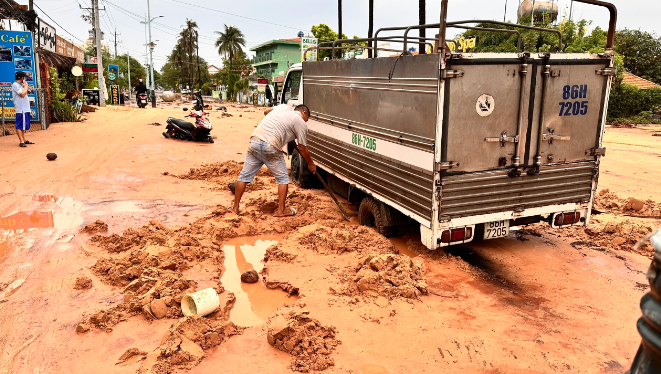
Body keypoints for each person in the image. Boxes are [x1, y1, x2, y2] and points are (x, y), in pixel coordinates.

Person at [229, 104, 316, 217]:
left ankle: (235, 208)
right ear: (303, 113)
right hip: (270, 147)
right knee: (283, 179)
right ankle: (281, 210)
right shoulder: (300, 121)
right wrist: (311, 163)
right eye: (307, 119)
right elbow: (302, 148)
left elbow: (266, 112)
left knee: (243, 177)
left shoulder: (283, 107)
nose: (306, 121)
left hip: (255, 141)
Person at [11, 71, 34, 148]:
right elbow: (22, 94)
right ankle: (21, 141)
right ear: (21, 78)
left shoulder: (20, 85)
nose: (25, 79)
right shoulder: (15, 85)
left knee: (23, 125)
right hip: (21, 109)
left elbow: (26, 92)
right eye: (24, 77)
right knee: (19, 125)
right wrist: (26, 87)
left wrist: (26, 88)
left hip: (25, 109)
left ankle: (24, 139)